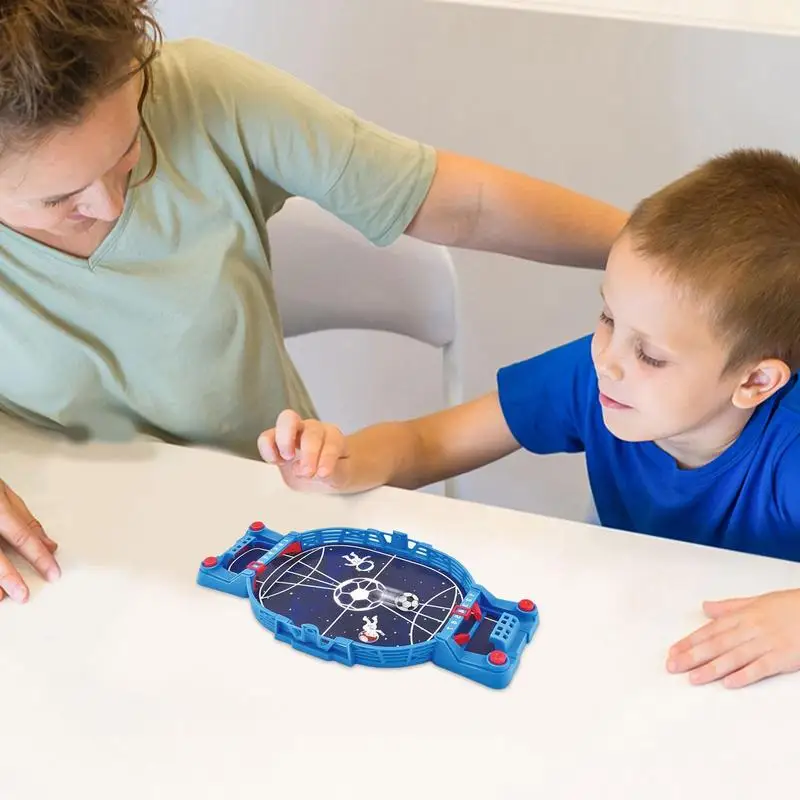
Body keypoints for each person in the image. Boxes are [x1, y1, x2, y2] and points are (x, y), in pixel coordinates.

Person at [0, 1, 627, 603]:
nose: (110, 205)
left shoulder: (203, 93)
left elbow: (465, 203)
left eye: (129, 149)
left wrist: (661, 257)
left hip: (263, 525)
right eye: (61, 200)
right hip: (51, 549)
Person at [260, 148, 800, 690]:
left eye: (651, 356)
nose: (607, 360)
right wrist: (342, 462)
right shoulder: (596, 378)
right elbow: (428, 443)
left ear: (754, 382)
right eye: (608, 317)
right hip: (635, 636)